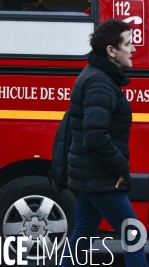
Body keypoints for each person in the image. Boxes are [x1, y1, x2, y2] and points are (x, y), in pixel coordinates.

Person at [61, 19, 146, 267]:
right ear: (111, 51)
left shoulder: (99, 76)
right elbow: (95, 136)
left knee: (81, 239)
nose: (133, 50)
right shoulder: (100, 82)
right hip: (101, 178)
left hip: (91, 176)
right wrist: (121, 166)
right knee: (134, 236)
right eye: (128, 44)